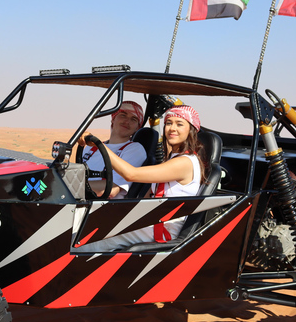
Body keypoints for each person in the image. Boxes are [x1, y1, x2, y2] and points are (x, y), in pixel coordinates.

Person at [76, 105, 206, 251]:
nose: (172, 128)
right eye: (169, 123)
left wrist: (99, 145)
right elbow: (147, 196)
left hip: (163, 229)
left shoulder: (185, 162)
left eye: (179, 124)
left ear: (191, 130)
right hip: (153, 221)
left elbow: (131, 174)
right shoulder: (173, 159)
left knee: (90, 239)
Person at [82, 100, 147, 199]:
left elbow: (111, 190)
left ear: (137, 128)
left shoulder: (135, 149)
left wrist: (70, 186)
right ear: (113, 118)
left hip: (103, 209)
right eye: (123, 115)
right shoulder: (91, 148)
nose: (127, 121)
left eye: (133, 119)